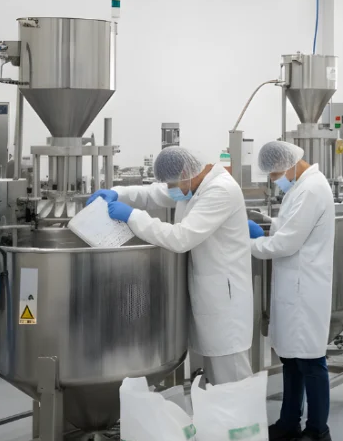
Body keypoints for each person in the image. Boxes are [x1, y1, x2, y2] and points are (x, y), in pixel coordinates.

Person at [88, 147, 253, 385]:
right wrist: (116, 193)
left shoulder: (220, 190)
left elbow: (180, 238)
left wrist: (132, 216)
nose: (171, 189)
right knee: (217, 382)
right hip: (211, 296)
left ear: (187, 171)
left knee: (233, 380)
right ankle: (222, 422)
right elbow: (152, 193)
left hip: (225, 303)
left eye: (173, 183)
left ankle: (244, 423)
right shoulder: (193, 186)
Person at [248, 141, 335, 441]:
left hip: (305, 286)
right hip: (293, 284)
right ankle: (288, 423)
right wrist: (267, 227)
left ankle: (318, 430)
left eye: (274, 174)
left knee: (310, 360)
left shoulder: (311, 190)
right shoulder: (302, 187)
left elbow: (286, 244)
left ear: (289, 164)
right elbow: (290, 230)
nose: (274, 180)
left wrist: (245, 244)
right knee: (291, 358)